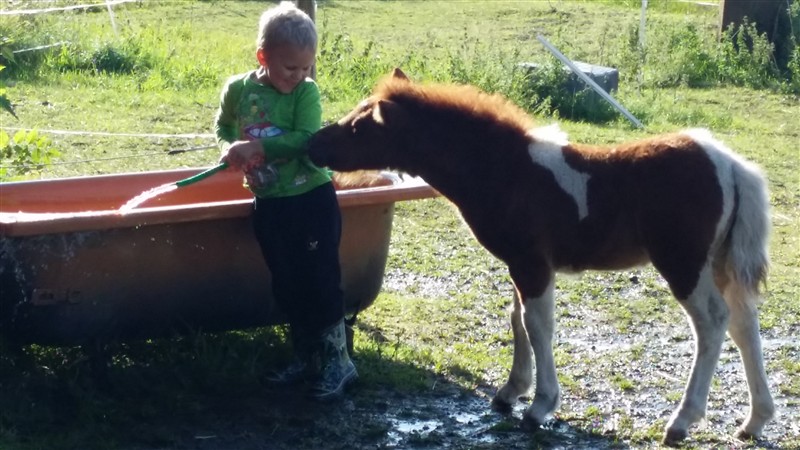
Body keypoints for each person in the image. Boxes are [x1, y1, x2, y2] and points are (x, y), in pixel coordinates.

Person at [213, 1, 356, 400]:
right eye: (289, 67)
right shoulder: (238, 90)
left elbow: (304, 140)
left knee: (320, 279)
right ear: (263, 56)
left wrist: (256, 144)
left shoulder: (305, 94)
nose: (298, 76)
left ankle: (338, 362)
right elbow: (223, 126)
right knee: (287, 281)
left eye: (305, 67)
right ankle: (306, 356)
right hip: (270, 201)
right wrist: (229, 147)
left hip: (310, 199)